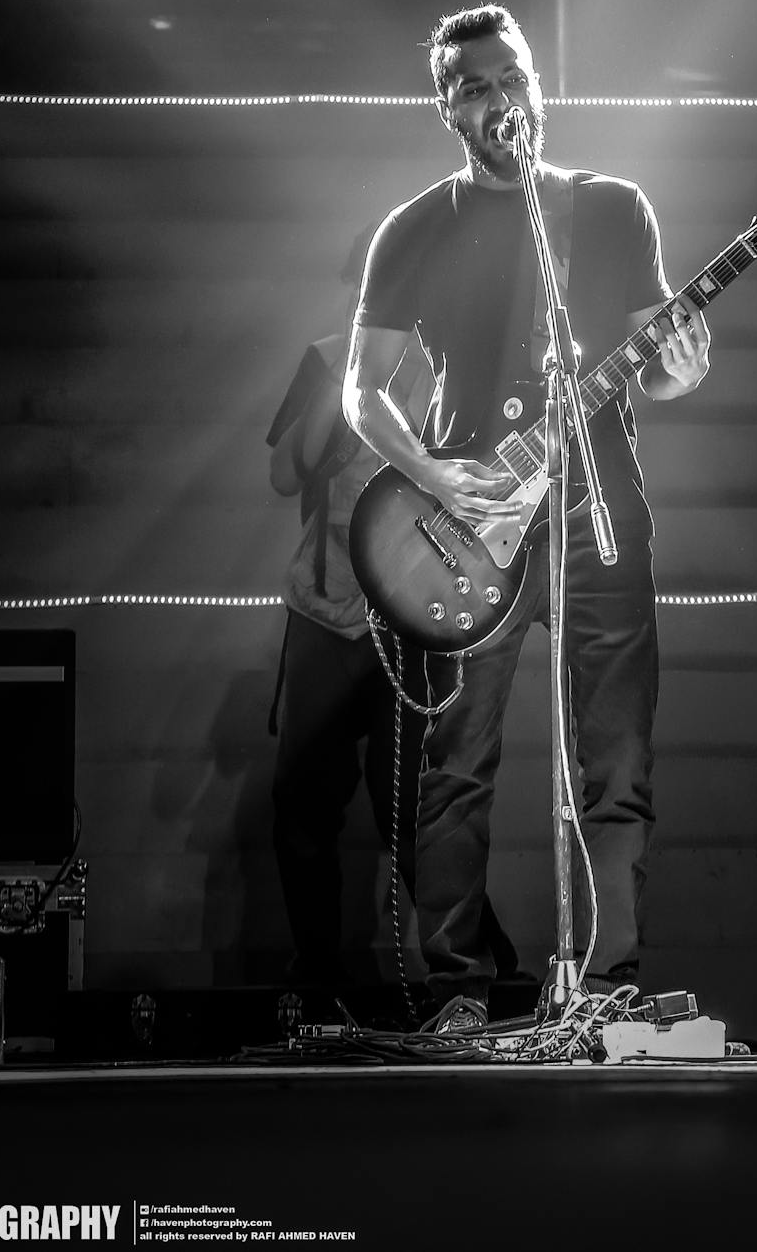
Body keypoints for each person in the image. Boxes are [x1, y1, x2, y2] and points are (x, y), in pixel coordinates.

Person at [342, 2, 710, 1033]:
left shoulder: (610, 209)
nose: (500, 97)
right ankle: (456, 986)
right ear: (446, 108)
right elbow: (362, 392)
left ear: (537, 86)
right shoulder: (416, 227)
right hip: (471, 525)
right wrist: (433, 473)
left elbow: (655, 362)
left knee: (617, 762)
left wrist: (683, 366)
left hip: (601, 512)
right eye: (475, 86)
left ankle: (609, 983)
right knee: (458, 763)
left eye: (512, 77)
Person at [267, 239, 517, 993]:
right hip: (325, 611)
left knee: (411, 810)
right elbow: (284, 475)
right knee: (302, 803)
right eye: (365, 285)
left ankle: (484, 973)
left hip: (409, 616)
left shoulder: (450, 368)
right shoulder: (328, 357)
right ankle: (318, 981)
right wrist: (341, 383)